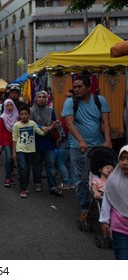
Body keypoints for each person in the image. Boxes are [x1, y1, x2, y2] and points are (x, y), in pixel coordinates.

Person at [62, 75, 112, 223]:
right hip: (78, 147)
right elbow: (70, 124)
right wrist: (81, 140)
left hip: (98, 146)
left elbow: (105, 120)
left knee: (100, 177)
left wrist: (108, 140)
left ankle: (103, 206)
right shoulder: (70, 102)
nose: (76, 89)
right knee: (80, 179)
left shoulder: (100, 100)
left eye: (79, 86)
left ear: (89, 87)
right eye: (75, 87)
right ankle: (84, 208)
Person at [30, 90, 63, 197]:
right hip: (36, 141)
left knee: (51, 165)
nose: (41, 99)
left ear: (46, 99)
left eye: (43, 97)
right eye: (39, 97)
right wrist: (40, 127)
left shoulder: (50, 110)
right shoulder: (31, 110)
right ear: (36, 98)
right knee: (37, 165)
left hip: (49, 141)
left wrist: (56, 125)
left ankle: (53, 186)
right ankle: (38, 183)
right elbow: (29, 124)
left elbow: (54, 122)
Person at [12, 106, 48, 198]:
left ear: (29, 114)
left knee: (27, 170)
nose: (24, 116)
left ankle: (25, 184)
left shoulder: (32, 123)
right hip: (20, 149)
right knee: (23, 168)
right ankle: (23, 189)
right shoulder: (16, 125)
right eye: (22, 114)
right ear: (19, 115)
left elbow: (41, 133)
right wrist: (14, 151)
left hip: (31, 150)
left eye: (26, 114)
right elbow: (14, 138)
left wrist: (50, 128)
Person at [99, 145, 128, 259]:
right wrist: (104, 220)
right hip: (119, 227)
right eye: (122, 158)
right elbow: (107, 200)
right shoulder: (113, 180)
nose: (125, 162)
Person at [56, 89, 75, 190]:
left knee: (61, 162)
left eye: (69, 96)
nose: (67, 98)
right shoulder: (68, 108)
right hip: (69, 140)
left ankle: (67, 182)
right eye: (66, 96)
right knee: (69, 163)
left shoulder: (72, 110)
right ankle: (72, 182)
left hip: (66, 140)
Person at [0, 99, 18, 187]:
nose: (9, 107)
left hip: (15, 140)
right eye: (7, 106)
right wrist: (0, 144)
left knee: (13, 158)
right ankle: (7, 178)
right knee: (9, 158)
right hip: (6, 140)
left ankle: (10, 176)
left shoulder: (17, 115)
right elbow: (0, 131)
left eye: (11, 105)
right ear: (5, 107)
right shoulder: (3, 117)